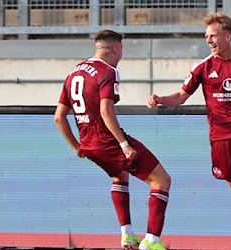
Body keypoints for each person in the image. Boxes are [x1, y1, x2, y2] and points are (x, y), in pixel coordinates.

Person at [147, 13, 231, 250]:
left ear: (227, 36)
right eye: (206, 36)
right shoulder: (202, 67)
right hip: (220, 138)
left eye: (213, 36)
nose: (208, 40)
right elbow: (181, 96)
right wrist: (160, 99)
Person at [54, 29, 171, 250]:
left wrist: (77, 147)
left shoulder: (74, 72)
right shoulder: (108, 71)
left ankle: (127, 235)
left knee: (120, 176)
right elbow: (106, 110)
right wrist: (124, 145)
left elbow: (59, 117)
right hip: (107, 141)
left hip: (89, 145)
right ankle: (152, 241)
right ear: (116, 49)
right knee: (161, 181)